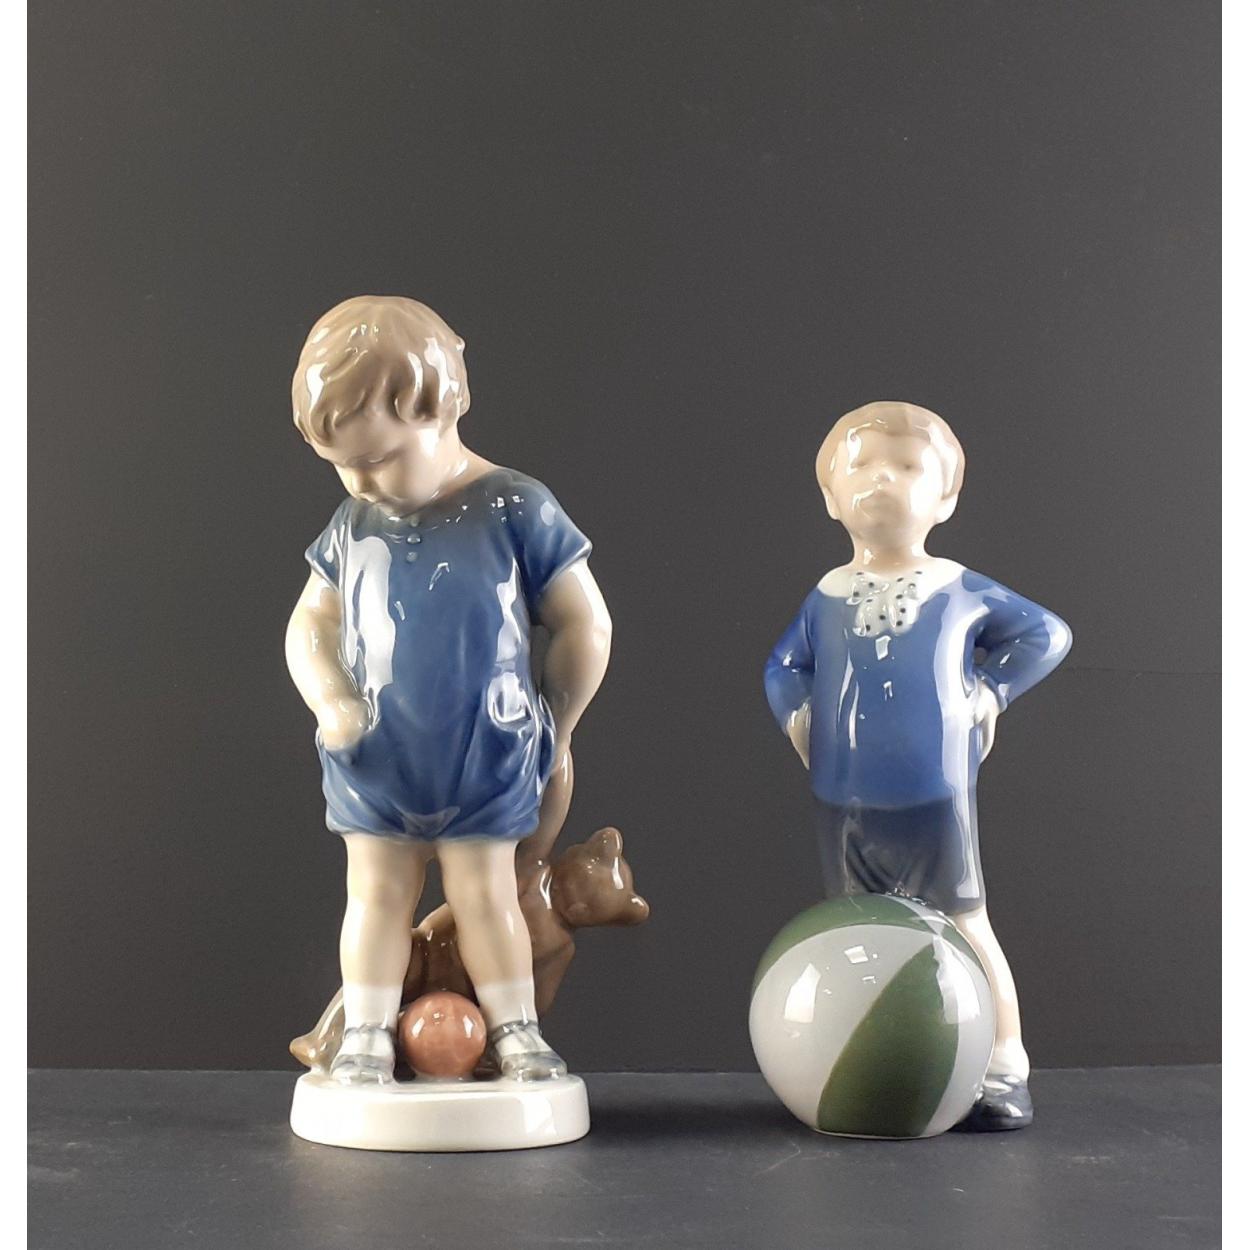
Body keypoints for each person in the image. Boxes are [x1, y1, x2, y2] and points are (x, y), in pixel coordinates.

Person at [286, 296, 611, 1084]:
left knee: (486, 896)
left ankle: (515, 1029)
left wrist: (558, 721)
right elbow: (309, 624)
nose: (361, 481)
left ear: (440, 409)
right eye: (342, 465)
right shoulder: (352, 524)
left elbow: (584, 623)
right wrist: (331, 700)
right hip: (377, 751)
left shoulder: (515, 507)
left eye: (379, 458)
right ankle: (366, 1031)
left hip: (483, 748)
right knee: (374, 896)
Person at [764, 401, 1071, 1130]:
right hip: (843, 796)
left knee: (963, 923)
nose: (883, 480)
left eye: (907, 467)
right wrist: (798, 715)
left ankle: (1002, 1064)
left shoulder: (957, 587)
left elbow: (1045, 634)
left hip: (935, 795)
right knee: (855, 932)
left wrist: (989, 692)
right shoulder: (826, 596)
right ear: (831, 497)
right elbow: (782, 666)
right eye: (862, 467)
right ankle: (867, 1065)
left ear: (946, 498)